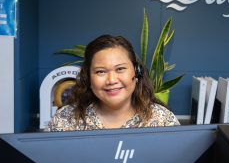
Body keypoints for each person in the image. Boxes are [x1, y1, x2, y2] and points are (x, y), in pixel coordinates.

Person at [45, 35, 180, 131]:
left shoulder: (164, 121)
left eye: (120, 69)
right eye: (101, 72)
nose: (112, 80)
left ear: (136, 72)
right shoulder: (64, 120)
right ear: (87, 77)